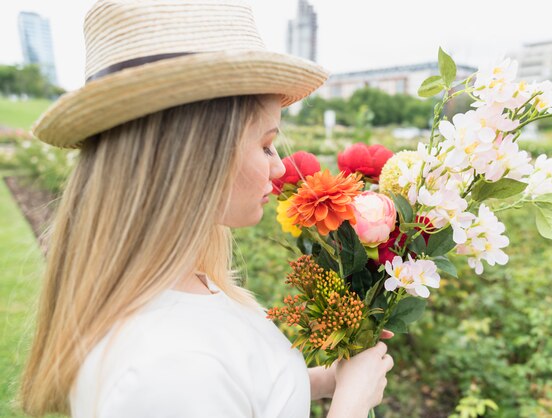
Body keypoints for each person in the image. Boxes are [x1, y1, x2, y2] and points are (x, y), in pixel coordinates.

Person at [18, 1, 395, 417]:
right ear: (197, 156)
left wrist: (322, 382)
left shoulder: (177, 284)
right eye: (266, 144)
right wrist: (351, 407)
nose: (280, 165)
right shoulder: (164, 371)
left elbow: (232, 389)